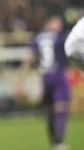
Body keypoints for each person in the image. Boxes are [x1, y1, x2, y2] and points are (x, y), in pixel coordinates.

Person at [16, 15, 70, 150]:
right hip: (58, 76)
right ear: (49, 23)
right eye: (57, 23)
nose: (59, 26)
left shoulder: (37, 38)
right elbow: (72, 54)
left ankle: (54, 142)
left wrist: (20, 80)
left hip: (44, 77)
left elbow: (29, 59)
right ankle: (58, 141)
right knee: (61, 107)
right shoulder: (60, 38)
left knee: (49, 109)